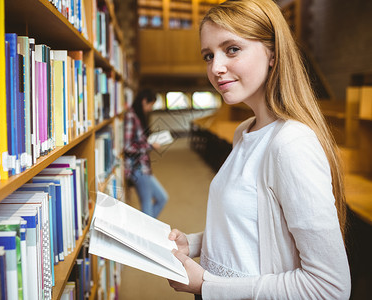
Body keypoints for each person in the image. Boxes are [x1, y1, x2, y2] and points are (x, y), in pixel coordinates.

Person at [167, 0, 351, 299]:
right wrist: (195, 243)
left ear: (272, 56)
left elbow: (330, 287)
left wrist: (207, 285)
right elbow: (252, 230)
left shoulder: (291, 144)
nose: (215, 68)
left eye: (232, 49)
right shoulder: (246, 131)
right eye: (208, 55)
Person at [124, 89, 168, 218]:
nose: (150, 109)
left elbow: (136, 141)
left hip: (144, 167)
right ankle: (144, 234)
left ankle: (144, 230)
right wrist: (150, 146)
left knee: (162, 198)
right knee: (147, 207)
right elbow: (127, 146)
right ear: (144, 101)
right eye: (150, 105)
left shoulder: (136, 117)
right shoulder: (131, 117)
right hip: (138, 169)